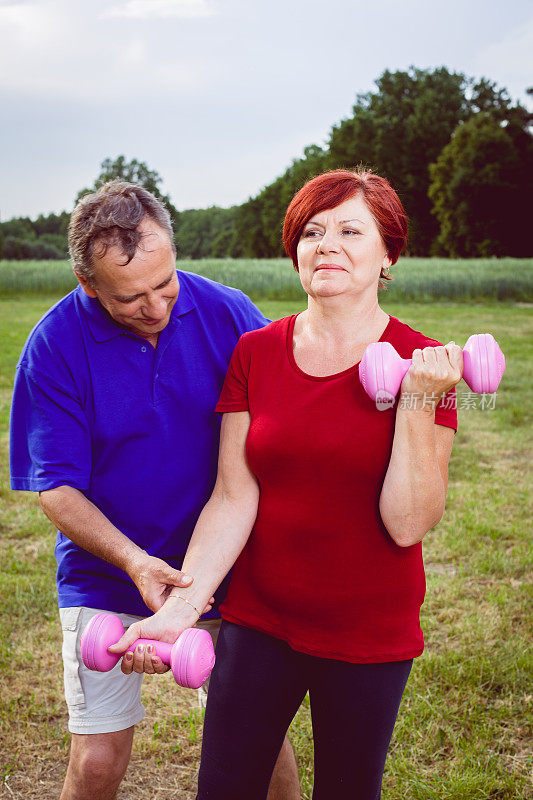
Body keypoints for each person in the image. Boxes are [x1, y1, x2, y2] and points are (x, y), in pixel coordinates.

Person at [110, 168, 461, 799]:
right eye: (312, 231)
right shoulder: (257, 352)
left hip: (366, 632)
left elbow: (408, 523)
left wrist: (416, 403)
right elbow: (233, 495)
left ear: (388, 256)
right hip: (258, 619)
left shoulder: (423, 361)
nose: (326, 244)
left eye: (352, 230)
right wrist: (184, 611)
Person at [9, 181, 301, 800]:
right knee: (97, 760)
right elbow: (56, 489)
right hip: (109, 575)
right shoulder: (53, 345)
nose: (156, 307)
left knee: (262, 744)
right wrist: (136, 562)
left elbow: (293, 410)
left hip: (222, 569)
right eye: (130, 298)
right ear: (89, 286)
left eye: (165, 284)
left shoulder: (228, 311)